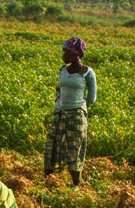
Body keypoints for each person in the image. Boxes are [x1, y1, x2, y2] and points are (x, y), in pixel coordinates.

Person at [43, 37, 96, 187]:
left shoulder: (88, 72)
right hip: (59, 113)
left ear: (76, 55)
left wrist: (79, 107)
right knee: (51, 145)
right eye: (63, 52)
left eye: (67, 53)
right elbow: (61, 89)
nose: (63, 56)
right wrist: (59, 102)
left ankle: (75, 184)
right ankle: (48, 180)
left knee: (74, 148)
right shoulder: (63, 71)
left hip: (76, 115)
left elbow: (91, 97)